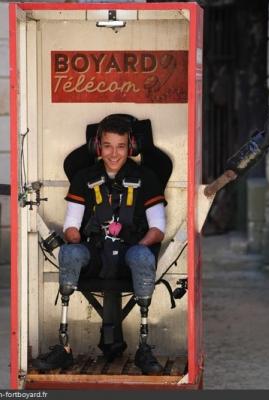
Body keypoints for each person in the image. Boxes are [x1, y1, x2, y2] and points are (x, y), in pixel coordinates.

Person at [33, 114, 167, 375]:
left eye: (120, 146)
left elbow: (158, 229)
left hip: (130, 256)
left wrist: (137, 247)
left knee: (142, 256)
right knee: (71, 253)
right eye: (107, 146)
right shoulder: (85, 178)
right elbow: (71, 225)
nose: (114, 154)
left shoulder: (146, 177)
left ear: (131, 147)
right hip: (95, 255)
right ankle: (64, 346)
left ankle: (143, 346)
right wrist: (77, 243)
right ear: (98, 147)